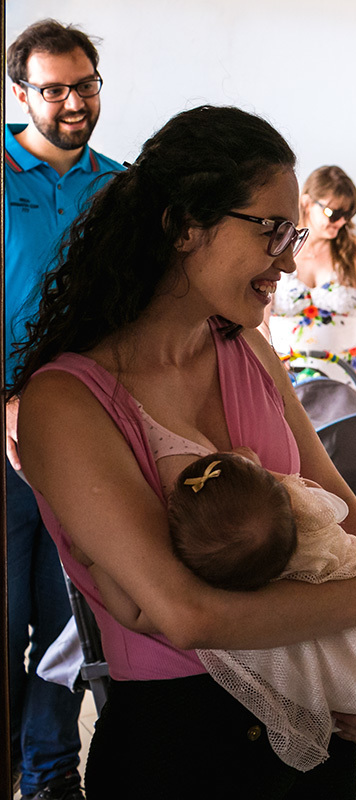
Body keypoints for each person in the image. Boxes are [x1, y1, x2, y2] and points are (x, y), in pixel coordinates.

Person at [6, 105, 356, 798]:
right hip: (182, 751)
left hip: (316, 736)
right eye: (270, 231)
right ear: (182, 226)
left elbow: (337, 501)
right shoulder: (67, 401)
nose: (288, 259)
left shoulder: (251, 352)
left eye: (292, 232)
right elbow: (184, 614)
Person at [81, 448, 356, 775]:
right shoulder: (306, 519)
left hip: (335, 671)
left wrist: (95, 560)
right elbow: (330, 503)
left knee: (351, 722)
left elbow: (134, 615)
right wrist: (263, 472)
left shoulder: (217, 591)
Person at [4, 18, 124, 800]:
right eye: (55, 89)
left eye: (86, 85)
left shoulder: (121, 188)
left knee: (69, 626)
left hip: (83, 436)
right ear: (21, 94)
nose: (74, 101)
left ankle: (52, 778)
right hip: (4, 439)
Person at [266, 165, 356, 388]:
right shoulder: (279, 249)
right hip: (286, 383)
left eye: (348, 215)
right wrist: (267, 364)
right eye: (333, 213)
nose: (340, 222)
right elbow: (261, 322)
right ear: (306, 203)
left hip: (345, 387)